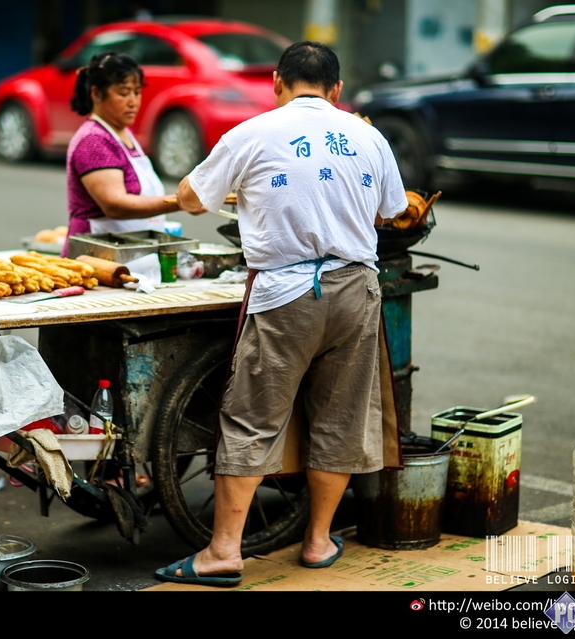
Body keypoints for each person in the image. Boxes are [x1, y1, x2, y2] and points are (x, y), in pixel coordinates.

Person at [156, 41, 409, 586]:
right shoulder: (368, 136)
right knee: (340, 417)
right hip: (354, 288)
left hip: (285, 294)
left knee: (252, 418)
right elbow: (394, 210)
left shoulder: (251, 133)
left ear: (277, 81)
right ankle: (317, 542)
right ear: (337, 90)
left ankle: (224, 551)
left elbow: (190, 198)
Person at [62, 51, 180, 256]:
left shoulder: (124, 133)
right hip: (94, 257)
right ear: (97, 94)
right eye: (124, 93)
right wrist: (179, 201)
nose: (133, 101)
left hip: (128, 254)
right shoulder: (93, 140)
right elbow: (115, 205)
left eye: (137, 92)